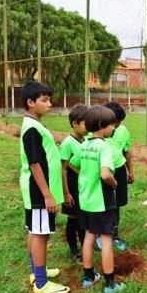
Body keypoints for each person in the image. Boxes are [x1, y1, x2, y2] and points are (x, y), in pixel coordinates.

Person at [19, 80, 70, 293]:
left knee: (35, 231)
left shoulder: (35, 124)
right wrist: (47, 195)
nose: (50, 104)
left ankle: (37, 272)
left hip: (37, 192)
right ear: (31, 102)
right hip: (39, 192)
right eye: (44, 100)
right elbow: (34, 163)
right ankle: (41, 283)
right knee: (40, 234)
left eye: (49, 99)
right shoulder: (31, 129)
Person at [70, 105, 125, 293]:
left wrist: (86, 176)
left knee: (89, 236)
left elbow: (73, 163)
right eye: (111, 125)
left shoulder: (84, 144)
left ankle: (89, 277)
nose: (114, 128)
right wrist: (115, 182)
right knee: (107, 239)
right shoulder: (104, 146)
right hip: (102, 201)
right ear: (102, 125)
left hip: (86, 200)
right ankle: (110, 284)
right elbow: (105, 174)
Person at [100, 101, 135, 251]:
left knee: (116, 204)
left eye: (119, 123)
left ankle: (114, 235)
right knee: (102, 204)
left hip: (119, 169)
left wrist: (130, 171)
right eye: (115, 123)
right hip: (102, 172)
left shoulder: (123, 131)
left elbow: (126, 151)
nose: (117, 126)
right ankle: (99, 235)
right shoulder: (96, 131)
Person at [60, 104, 88, 264]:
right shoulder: (67, 144)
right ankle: (74, 250)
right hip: (72, 186)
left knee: (83, 218)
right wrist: (66, 192)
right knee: (73, 218)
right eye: (84, 123)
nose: (88, 127)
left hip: (84, 186)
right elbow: (63, 169)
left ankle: (85, 246)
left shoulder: (86, 140)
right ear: (75, 124)